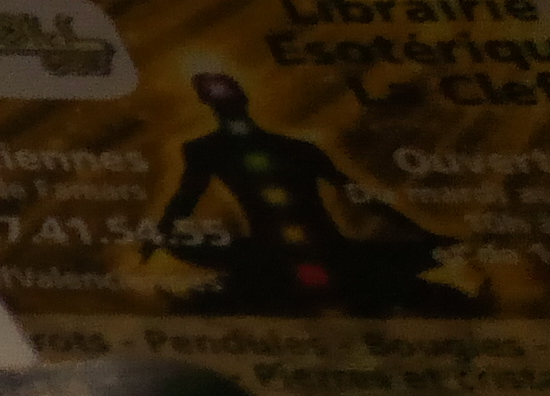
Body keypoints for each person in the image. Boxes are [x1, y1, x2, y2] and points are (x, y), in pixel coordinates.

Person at [148, 72, 476, 315]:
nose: (226, 102)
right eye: (217, 95)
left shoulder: (295, 149)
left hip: (318, 250)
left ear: (242, 98)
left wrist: (419, 232)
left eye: (227, 93)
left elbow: (355, 194)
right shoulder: (208, 150)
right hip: (278, 253)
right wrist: (162, 234)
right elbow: (186, 198)